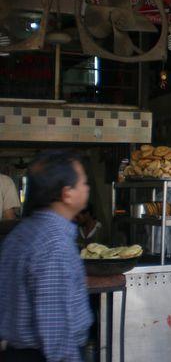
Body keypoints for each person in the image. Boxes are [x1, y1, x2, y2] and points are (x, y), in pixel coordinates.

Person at [0, 151, 92, 362]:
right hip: (40, 355)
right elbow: (55, 331)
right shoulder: (54, 245)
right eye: (83, 182)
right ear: (67, 194)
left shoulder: (21, 233)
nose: (87, 187)